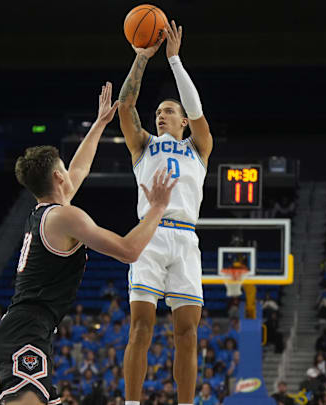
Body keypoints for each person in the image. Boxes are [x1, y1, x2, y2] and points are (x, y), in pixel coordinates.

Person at [0, 83, 178, 405]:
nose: (70, 171)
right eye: (64, 169)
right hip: (27, 329)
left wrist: (100, 124)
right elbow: (128, 250)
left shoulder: (48, 212)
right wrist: (158, 208)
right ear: (58, 178)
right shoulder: (66, 217)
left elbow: (79, 169)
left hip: (28, 328)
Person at [117, 20, 212, 405]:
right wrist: (141, 58)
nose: (161, 115)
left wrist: (174, 61)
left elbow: (198, 109)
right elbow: (126, 106)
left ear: (183, 121)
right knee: (141, 327)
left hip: (185, 238)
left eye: (169, 111)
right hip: (150, 235)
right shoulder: (143, 145)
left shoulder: (198, 147)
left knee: (187, 333)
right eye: (158, 111)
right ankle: (132, 403)